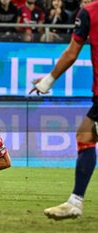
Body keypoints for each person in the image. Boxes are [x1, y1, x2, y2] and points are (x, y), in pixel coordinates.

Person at [29, 1, 98, 220]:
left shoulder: (90, 12)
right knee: (86, 134)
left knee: (85, 134)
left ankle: (75, 202)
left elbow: (71, 53)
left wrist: (47, 81)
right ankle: (75, 201)